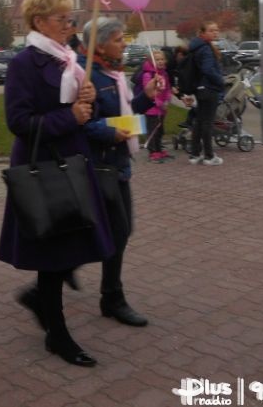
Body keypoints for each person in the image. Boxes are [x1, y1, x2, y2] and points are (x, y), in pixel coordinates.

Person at [0, 0, 114, 368]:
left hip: (74, 161)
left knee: (78, 242)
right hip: (44, 167)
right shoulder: (24, 64)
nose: (69, 25)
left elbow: (81, 113)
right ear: (39, 21)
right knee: (53, 254)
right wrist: (71, 116)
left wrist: (87, 100)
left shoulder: (70, 61)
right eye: (62, 19)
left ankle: (41, 304)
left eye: (71, 19)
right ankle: (57, 335)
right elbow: (18, 122)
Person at [81, 18, 161, 330]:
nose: (124, 43)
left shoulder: (115, 73)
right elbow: (83, 123)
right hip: (99, 166)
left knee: (121, 231)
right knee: (112, 231)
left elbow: (125, 114)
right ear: (99, 45)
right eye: (117, 39)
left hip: (120, 165)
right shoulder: (87, 75)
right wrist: (111, 130)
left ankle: (104, 292)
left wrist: (146, 97)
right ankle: (111, 297)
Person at [187, 21, 225, 166]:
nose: (215, 33)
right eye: (211, 30)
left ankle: (195, 154)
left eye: (216, 30)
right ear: (203, 33)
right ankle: (209, 156)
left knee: (199, 122)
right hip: (209, 89)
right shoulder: (206, 49)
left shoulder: (197, 47)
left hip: (200, 89)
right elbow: (208, 69)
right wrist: (220, 81)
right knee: (207, 123)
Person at [141, 49, 173, 163]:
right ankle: (152, 152)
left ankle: (159, 149)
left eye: (162, 59)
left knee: (160, 130)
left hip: (162, 109)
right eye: (157, 59)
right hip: (152, 109)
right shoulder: (148, 75)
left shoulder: (164, 74)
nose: (160, 61)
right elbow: (149, 93)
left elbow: (168, 88)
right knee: (152, 131)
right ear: (151, 61)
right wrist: (159, 104)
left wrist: (167, 100)